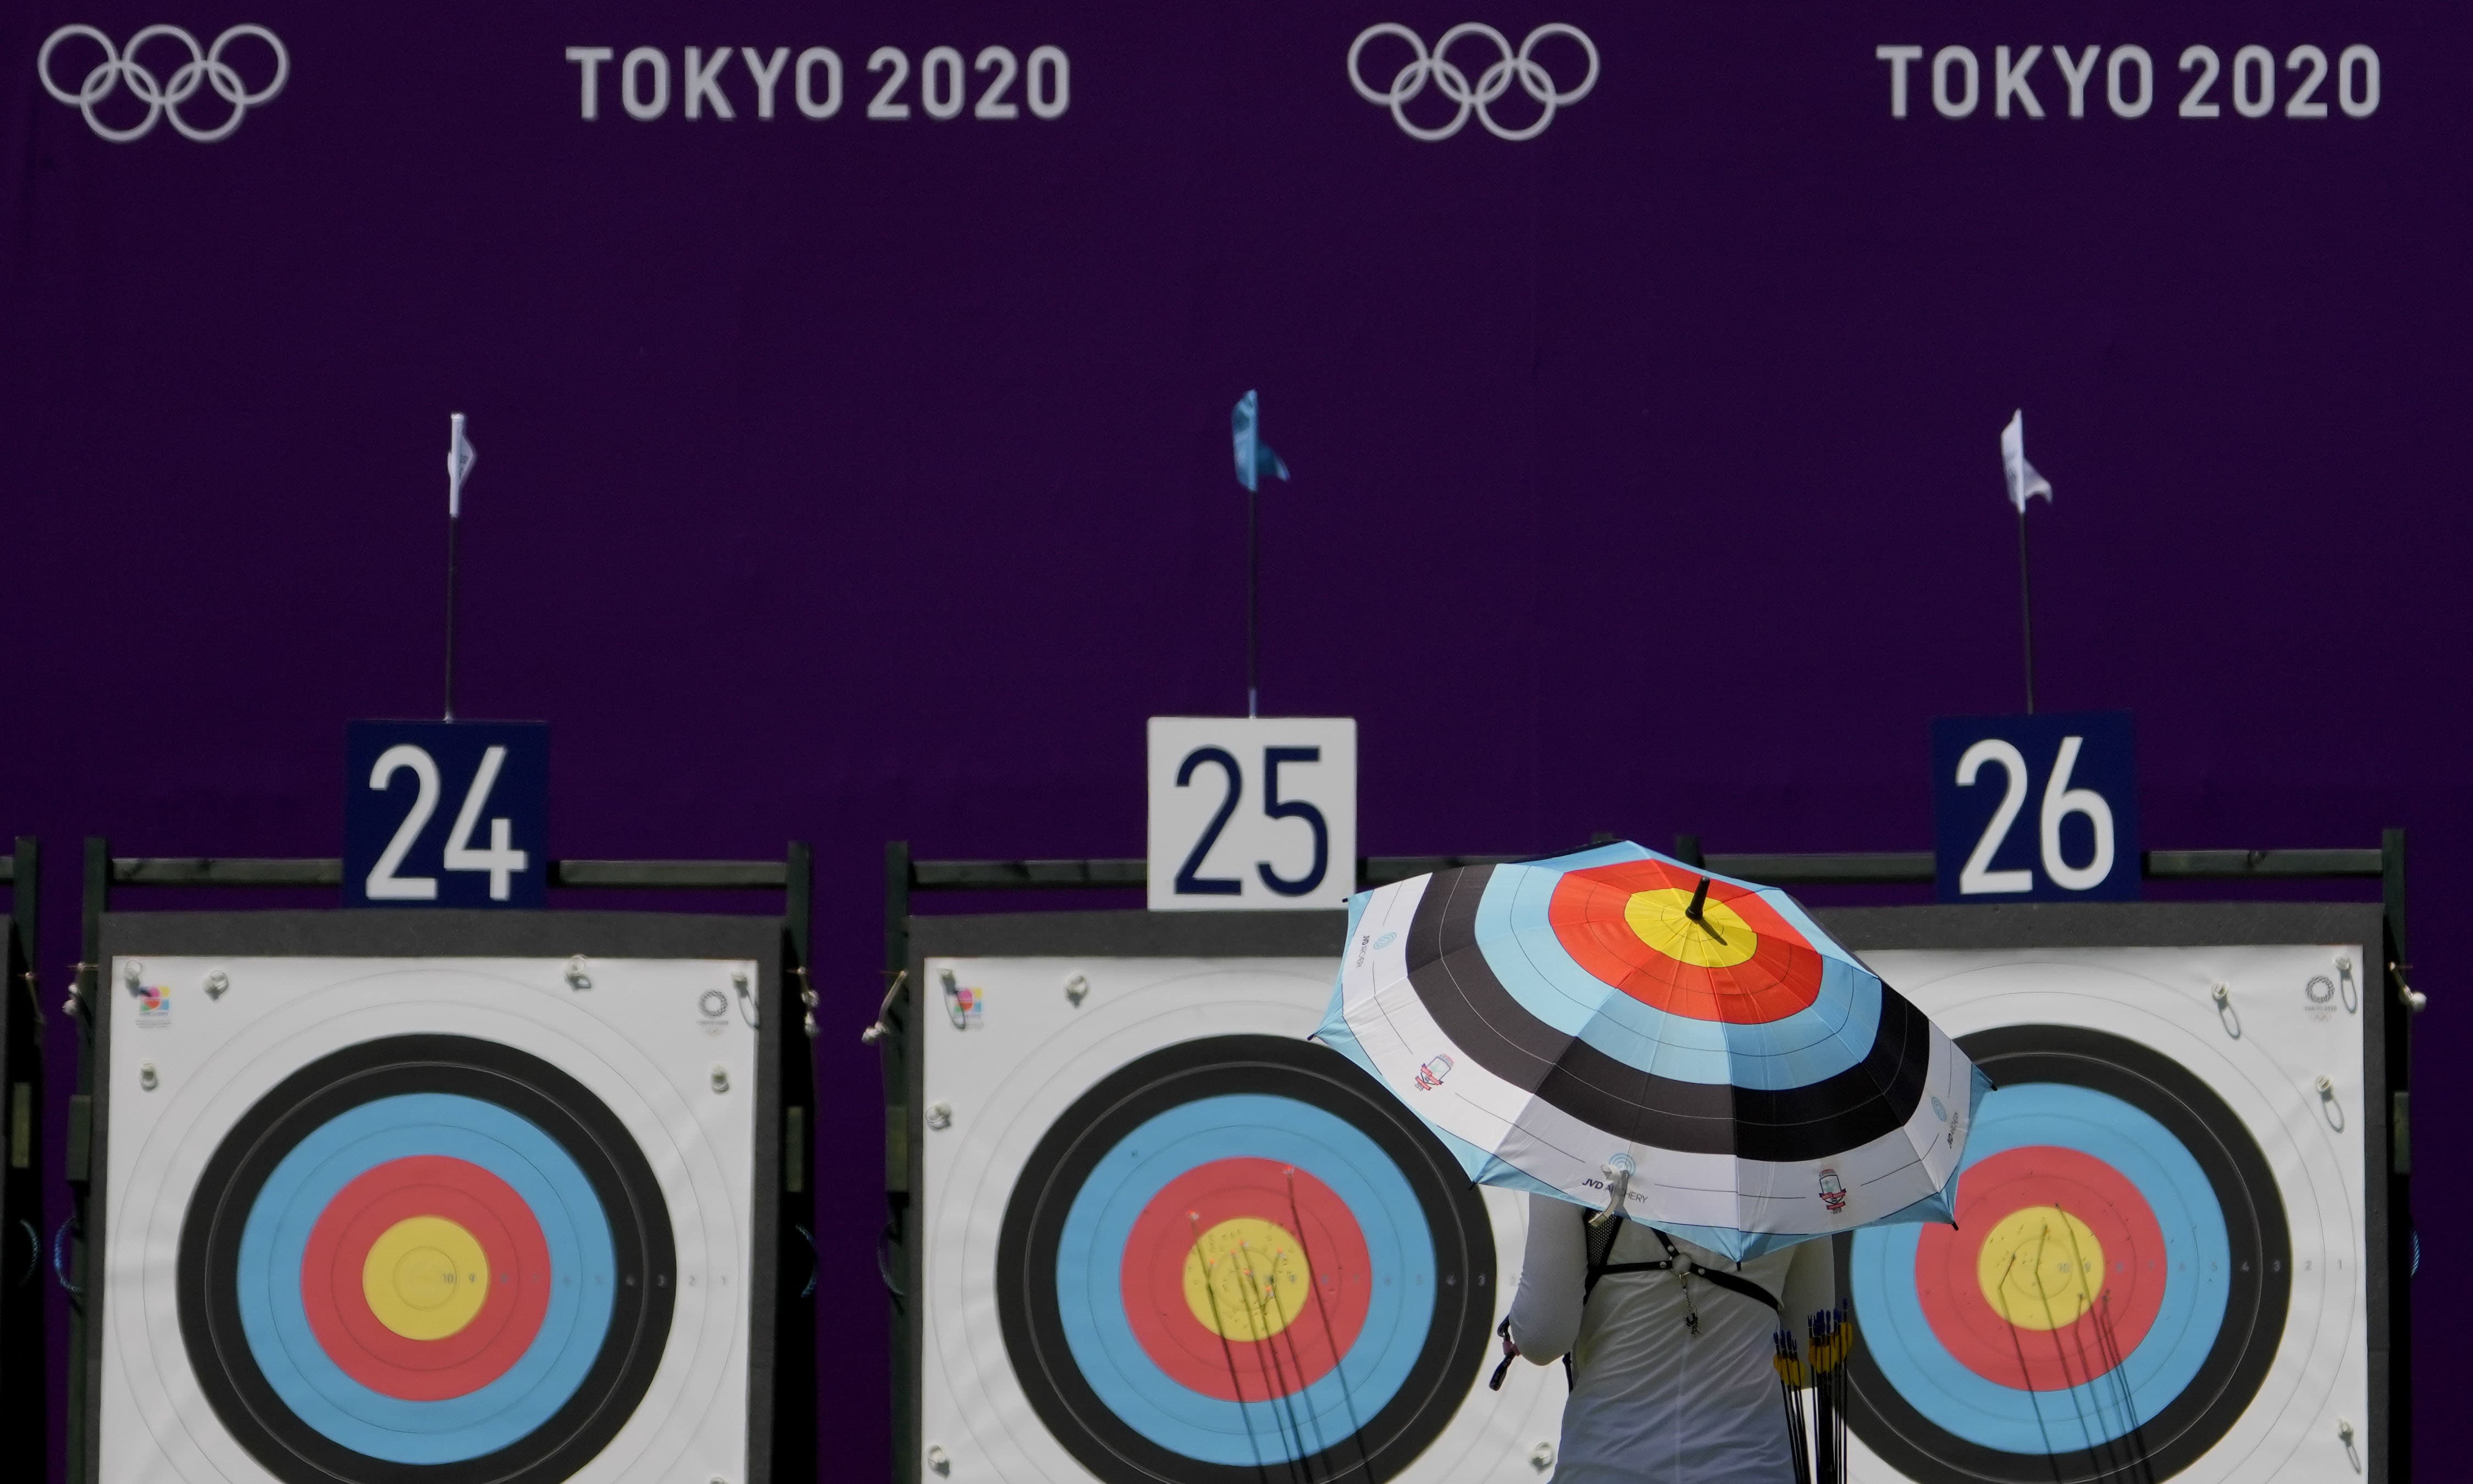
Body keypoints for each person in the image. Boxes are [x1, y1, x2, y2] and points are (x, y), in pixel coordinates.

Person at [1502, 1194, 1837, 1482]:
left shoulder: (1574, 1145)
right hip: (1755, 1466)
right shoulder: (1792, 1156)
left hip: (1608, 1462)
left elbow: (1543, 1338)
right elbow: (1809, 1360)